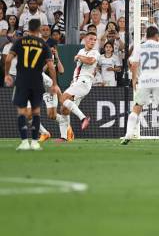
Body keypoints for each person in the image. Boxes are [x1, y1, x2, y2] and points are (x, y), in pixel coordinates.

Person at [3, 19, 60, 151]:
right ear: (39, 29)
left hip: (22, 80)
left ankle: (24, 142)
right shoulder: (43, 44)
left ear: (28, 28)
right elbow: (51, 67)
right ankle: (35, 142)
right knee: (36, 111)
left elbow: (8, 59)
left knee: (22, 111)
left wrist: (6, 74)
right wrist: (55, 84)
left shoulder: (20, 41)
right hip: (37, 81)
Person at [121, 26, 159, 145]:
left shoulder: (140, 47)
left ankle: (128, 134)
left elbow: (133, 64)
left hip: (144, 80)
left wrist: (134, 78)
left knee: (137, 107)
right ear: (156, 36)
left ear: (146, 35)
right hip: (158, 80)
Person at [56, 32, 98, 142]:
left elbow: (90, 61)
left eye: (95, 39)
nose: (93, 41)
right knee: (64, 109)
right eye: (91, 39)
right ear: (85, 39)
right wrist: (73, 81)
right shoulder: (81, 51)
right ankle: (64, 137)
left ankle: (84, 118)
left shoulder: (95, 52)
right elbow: (78, 69)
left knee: (63, 98)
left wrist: (79, 57)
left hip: (84, 82)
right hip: (77, 82)